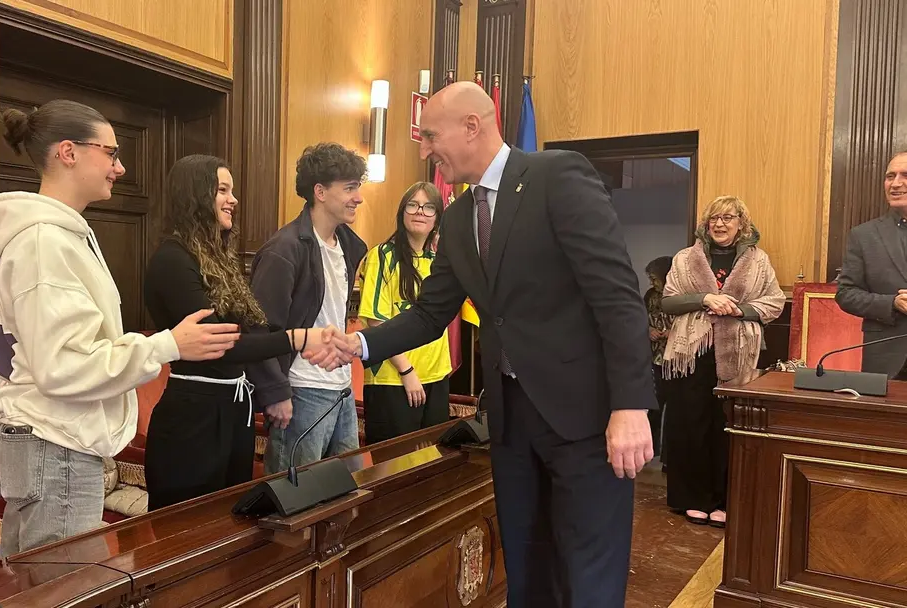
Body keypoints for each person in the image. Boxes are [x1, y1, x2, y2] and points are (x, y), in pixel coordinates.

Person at [310, 82, 656, 607]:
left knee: (589, 577)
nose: (425, 150)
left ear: (472, 126)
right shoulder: (456, 216)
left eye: (430, 135)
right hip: (512, 423)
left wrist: (630, 406)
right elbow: (431, 313)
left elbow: (617, 297)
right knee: (526, 566)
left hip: (586, 419)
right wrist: (357, 345)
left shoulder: (556, 177)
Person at [0, 100, 241, 557]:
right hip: (56, 447)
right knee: (61, 588)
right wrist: (166, 345)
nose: (120, 166)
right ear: (69, 153)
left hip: (50, 442)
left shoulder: (58, 235)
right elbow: (64, 366)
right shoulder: (43, 242)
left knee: (39, 586)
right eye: (111, 153)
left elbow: (13, 358)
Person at [142, 154, 342, 510]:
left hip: (235, 410)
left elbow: (253, 329)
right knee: (189, 531)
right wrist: (297, 338)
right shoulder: (172, 259)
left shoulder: (217, 257)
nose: (233, 199)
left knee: (230, 524)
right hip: (194, 418)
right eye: (222, 190)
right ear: (194, 195)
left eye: (232, 190)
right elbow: (220, 345)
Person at [659, 196, 785, 528]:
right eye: (714, 217)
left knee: (727, 427)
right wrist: (704, 298)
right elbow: (668, 302)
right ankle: (692, 499)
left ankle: (725, 500)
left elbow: (773, 304)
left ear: (742, 223)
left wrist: (738, 309)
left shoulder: (759, 261)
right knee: (690, 426)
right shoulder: (685, 258)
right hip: (692, 356)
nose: (720, 223)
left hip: (738, 357)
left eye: (728, 217)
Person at [247, 142, 369, 474]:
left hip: (341, 390)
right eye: (349, 188)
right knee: (296, 504)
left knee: (347, 495)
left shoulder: (348, 245)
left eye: (358, 186)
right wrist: (276, 392)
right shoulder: (283, 249)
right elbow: (259, 329)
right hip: (301, 392)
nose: (358, 197)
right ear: (320, 191)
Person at [358, 182, 451, 444]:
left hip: (436, 376)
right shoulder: (382, 256)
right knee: (395, 468)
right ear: (402, 213)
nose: (420, 212)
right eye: (413, 205)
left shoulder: (440, 261)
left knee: (432, 466)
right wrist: (407, 372)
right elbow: (375, 322)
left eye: (428, 207)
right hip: (394, 381)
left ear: (437, 218)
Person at [837, 152, 907, 377]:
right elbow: (846, 294)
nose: (896, 183)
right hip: (887, 359)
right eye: (890, 176)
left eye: (905, 175)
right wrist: (892, 303)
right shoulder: (864, 235)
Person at [645, 255, 674, 464]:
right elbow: (639, 317)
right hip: (654, 359)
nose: (652, 283)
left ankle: (668, 459)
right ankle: (650, 453)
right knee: (653, 408)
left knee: (674, 413)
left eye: (655, 278)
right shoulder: (650, 296)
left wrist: (673, 333)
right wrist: (649, 330)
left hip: (676, 363)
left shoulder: (678, 296)